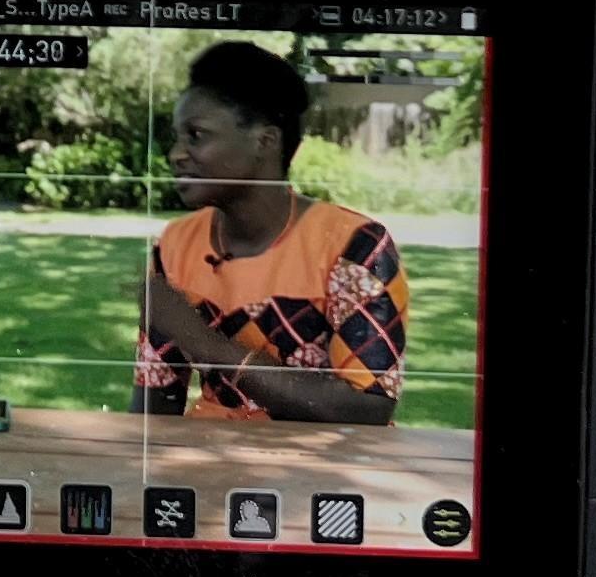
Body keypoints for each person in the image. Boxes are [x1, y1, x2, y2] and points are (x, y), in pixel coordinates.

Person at [137, 42, 401, 427]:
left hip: (323, 470)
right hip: (205, 465)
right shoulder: (176, 246)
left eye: (196, 135)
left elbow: (368, 407)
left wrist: (204, 342)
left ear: (265, 141)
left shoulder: (353, 245)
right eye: (177, 137)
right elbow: (152, 412)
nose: (176, 153)